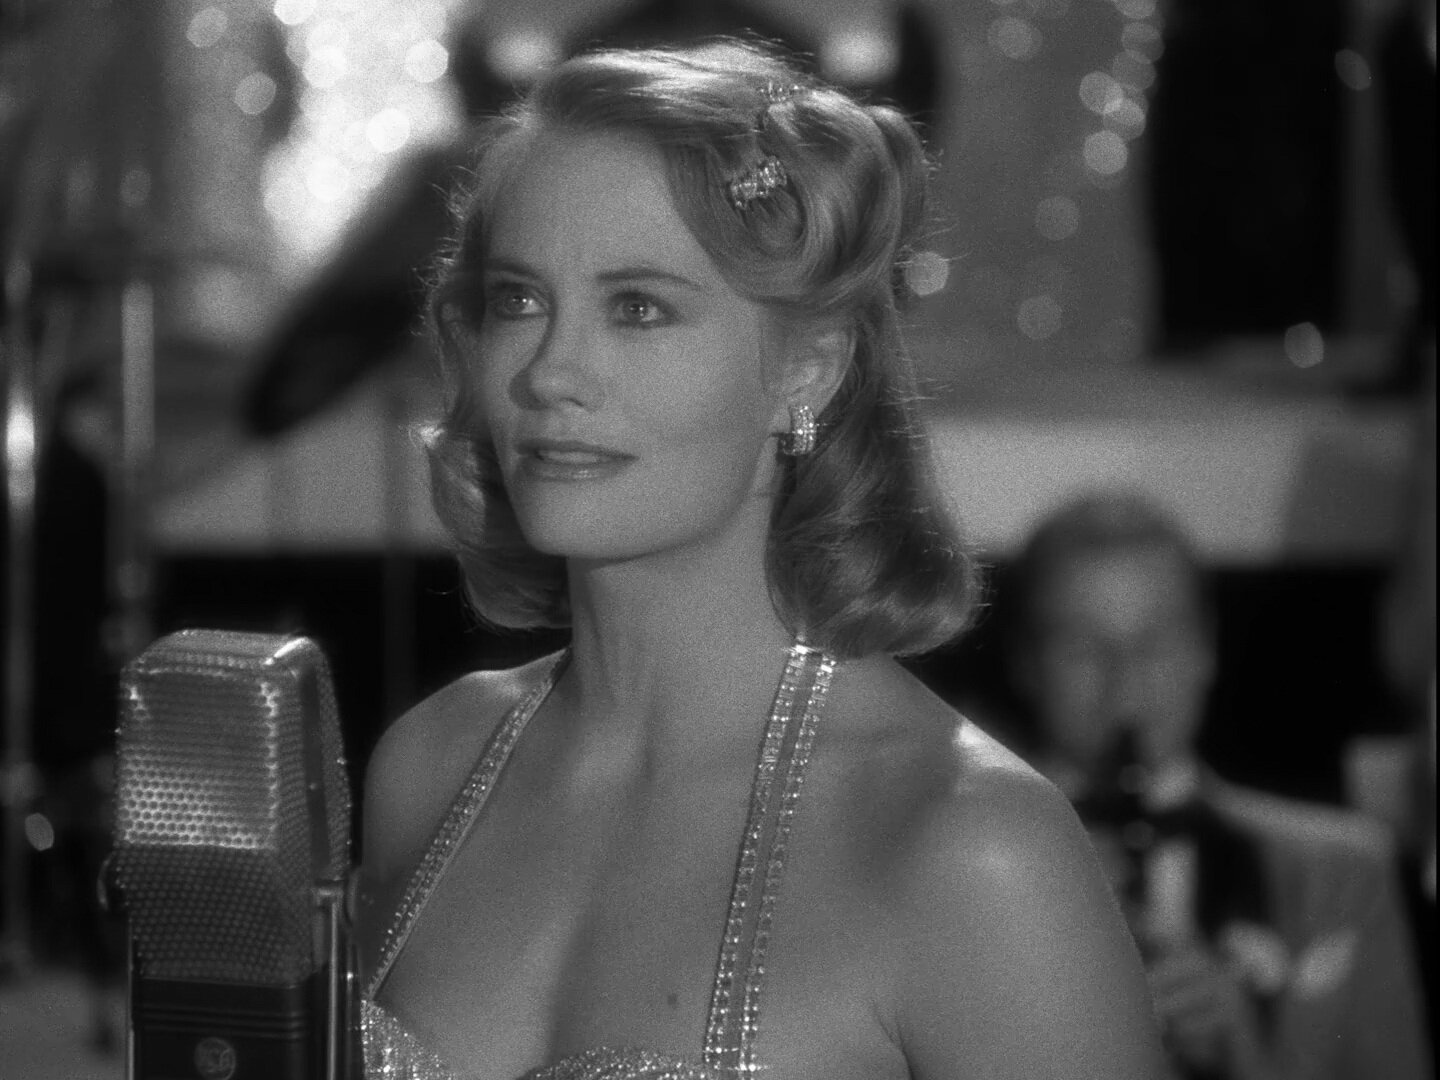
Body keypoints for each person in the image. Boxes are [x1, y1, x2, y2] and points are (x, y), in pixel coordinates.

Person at [355, 40, 1164, 1080]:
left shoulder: (967, 849)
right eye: (518, 300)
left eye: (638, 308)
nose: (552, 371)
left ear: (808, 370)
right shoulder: (430, 766)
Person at [1002, 488, 1432, 1080]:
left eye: (1156, 642)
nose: (1125, 680)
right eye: (1081, 646)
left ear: (1207, 647)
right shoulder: (967, 868)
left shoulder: (1347, 870)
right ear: (1025, 662)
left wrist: (1243, 1050)